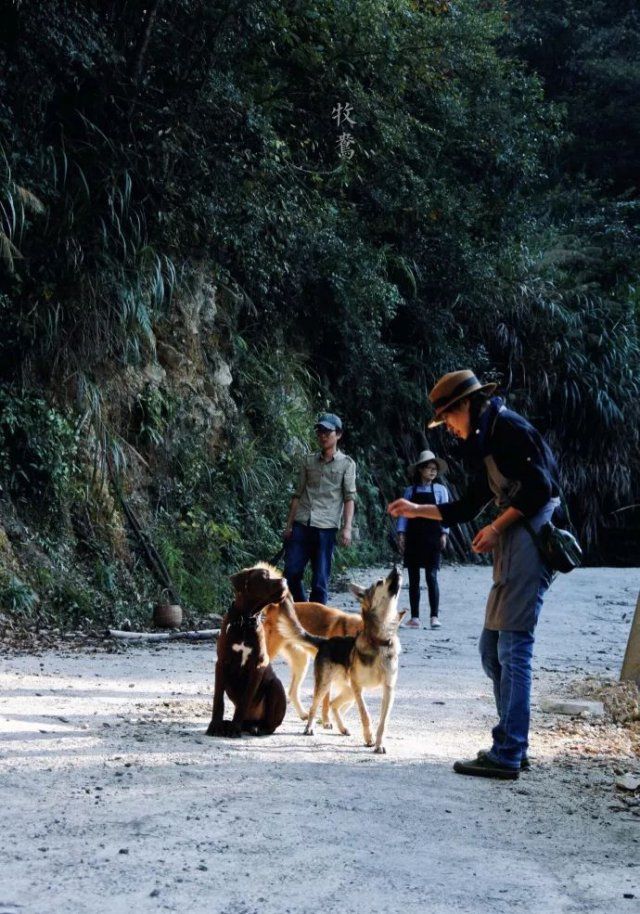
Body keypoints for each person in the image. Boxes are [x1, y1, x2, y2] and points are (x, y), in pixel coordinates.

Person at [388, 370, 560, 780]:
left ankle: (509, 751)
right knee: (491, 651)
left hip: (533, 542)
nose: (449, 428)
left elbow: (541, 488)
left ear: (465, 406)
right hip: (513, 545)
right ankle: (513, 743)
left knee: (513, 650)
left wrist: (498, 527)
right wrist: (415, 511)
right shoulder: (488, 438)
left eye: (449, 419)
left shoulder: (509, 430)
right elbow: (468, 507)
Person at [283, 413, 356, 604]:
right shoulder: (308, 461)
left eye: (327, 432)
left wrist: (347, 528)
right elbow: (297, 495)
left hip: (326, 527)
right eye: (320, 431)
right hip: (302, 523)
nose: (323, 436)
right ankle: (302, 609)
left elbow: (349, 498)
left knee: (320, 580)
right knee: (290, 573)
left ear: (338, 434)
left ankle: (318, 623)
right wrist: (289, 526)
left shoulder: (347, 464)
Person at [396, 450, 450, 630]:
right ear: (420, 470)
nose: (432, 472)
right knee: (414, 579)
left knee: (431, 576)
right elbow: (403, 515)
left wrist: (444, 533)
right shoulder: (410, 491)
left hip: (433, 537)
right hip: (414, 537)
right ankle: (415, 618)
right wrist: (401, 534)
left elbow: (445, 514)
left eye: (435, 469)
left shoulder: (441, 490)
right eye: (428, 468)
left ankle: (434, 616)